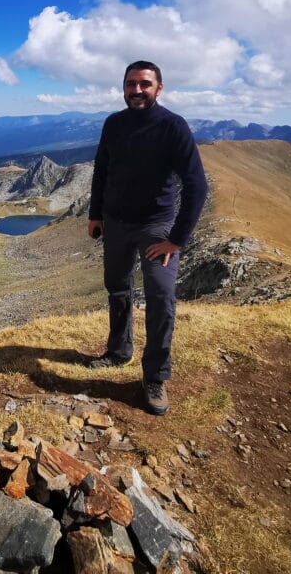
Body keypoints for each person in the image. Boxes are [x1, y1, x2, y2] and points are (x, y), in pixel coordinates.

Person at [87, 61, 208, 415]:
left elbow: (197, 186)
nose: (136, 90)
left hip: (157, 227)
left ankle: (154, 376)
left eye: (144, 84)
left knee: (161, 296)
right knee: (117, 287)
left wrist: (176, 239)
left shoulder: (173, 127)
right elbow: (102, 169)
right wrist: (96, 214)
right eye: (130, 84)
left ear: (159, 87)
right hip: (116, 223)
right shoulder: (114, 123)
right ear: (123, 87)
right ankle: (118, 351)